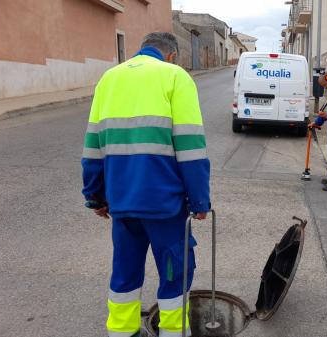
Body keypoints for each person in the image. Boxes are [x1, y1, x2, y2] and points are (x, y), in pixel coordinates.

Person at [81, 32, 210, 337]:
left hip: (122, 203)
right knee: (175, 272)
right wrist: (200, 201)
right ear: (172, 55)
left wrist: (95, 197)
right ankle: (173, 332)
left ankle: (122, 331)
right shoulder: (175, 77)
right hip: (163, 205)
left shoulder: (109, 79)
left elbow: (92, 147)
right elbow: (190, 147)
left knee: (125, 269)